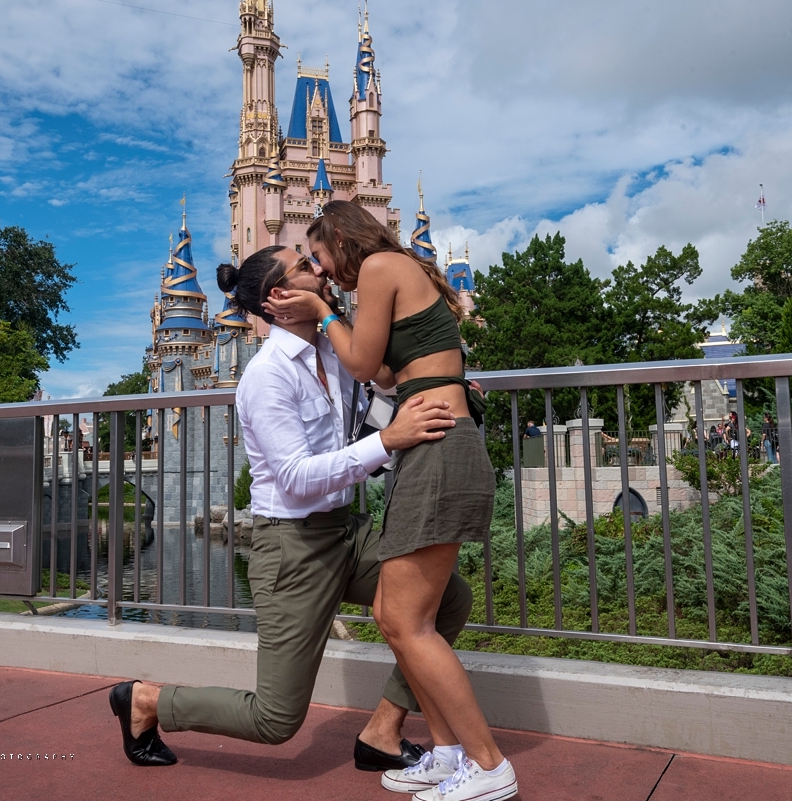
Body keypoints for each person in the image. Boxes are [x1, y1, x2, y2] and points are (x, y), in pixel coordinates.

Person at [106, 245, 474, 776]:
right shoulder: (267, 375)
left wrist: (447, 391)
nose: (318, 269)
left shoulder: (336, 352)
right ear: (279, 297)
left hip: (348, 531)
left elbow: (383, 391)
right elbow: (297, 478)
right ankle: (145, 701)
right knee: (275, 721)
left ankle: (383, 731)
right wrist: (389, 441)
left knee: (449, 599)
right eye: (304, 265)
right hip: (291, 546)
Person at [266, 200, 517, 801]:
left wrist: (325, 311)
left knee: (406, 621)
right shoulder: (398, 269)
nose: (321, 270)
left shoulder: (379, 268)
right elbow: (381, 370)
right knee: (391, 614)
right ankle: (447, 752)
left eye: (319, 257)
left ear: (340, 240)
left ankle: (489, 766)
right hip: (428, 447)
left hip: (438, 450)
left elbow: (356, 366)